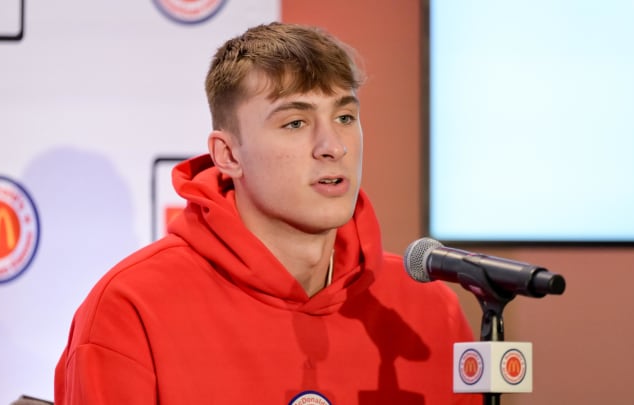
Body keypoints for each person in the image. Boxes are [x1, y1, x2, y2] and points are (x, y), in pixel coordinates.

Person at [54, 22, 481, 405]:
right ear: (228, 154)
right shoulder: (130, 308)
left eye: (346, 116)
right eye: (295, 123)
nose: (333, 146)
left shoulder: (427, 308)